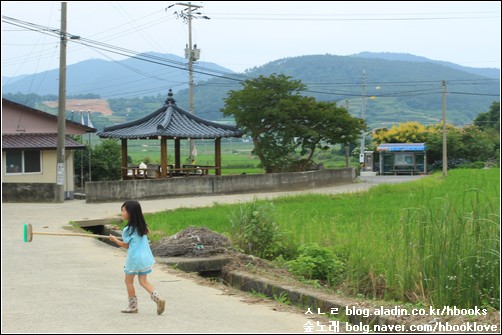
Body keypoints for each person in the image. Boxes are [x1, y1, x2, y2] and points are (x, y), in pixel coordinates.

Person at [109, 200, 166, 315]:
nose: (122, 212)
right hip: (145, 258)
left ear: (131, 213)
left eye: (124, 210)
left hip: (134, 259)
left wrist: (114, 240)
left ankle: (132, 307)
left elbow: (126, 245)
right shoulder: (143, 227)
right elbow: (146, 233)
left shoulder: (127, 230)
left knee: (128, 281)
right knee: (143, 281)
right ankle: (158, 298)